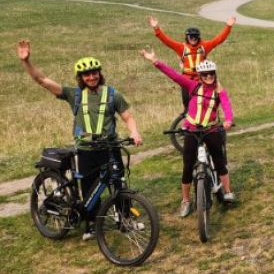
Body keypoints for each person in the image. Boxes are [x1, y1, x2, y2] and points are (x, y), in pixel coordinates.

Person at [18, 42, 143, 240]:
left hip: (110, 148)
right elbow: (42, 80)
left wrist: (135, 133)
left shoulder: (113, 94)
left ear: (99, 74)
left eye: (94, 73)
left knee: (119, 183)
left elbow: (128, 117)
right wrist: (27, 61)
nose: (91, 77)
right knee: (89, 188)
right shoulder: (73, 95)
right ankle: (91, 224)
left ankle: (125, 219)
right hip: (85, 150)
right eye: (87, 75)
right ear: (81, 78)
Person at [141, 49, 235, 216]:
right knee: (187, 166)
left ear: (214, 74)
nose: (208, 77)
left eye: (211, 74)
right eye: (205, 75)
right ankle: (185, 201)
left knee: (219, 161)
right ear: (200, 76)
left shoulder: (219, 91)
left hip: (211, 129)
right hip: (191, 130)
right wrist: (155, 61)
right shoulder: (193, 86)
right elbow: (174, 75)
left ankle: (227, 191)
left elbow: (227, 106)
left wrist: (228, 120)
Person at [147, 15, 236, 106]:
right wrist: (156, 28)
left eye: (195, 37)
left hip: (201, 79)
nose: (193, 39)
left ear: (198, 37)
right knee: (186, 103)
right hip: (186, 80)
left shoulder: (204, 46)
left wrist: (228, 26)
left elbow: (219, 39)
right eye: (191, 37)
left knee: (203, 102)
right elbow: (167, 41)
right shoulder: (181, 47)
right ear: (187, 37)